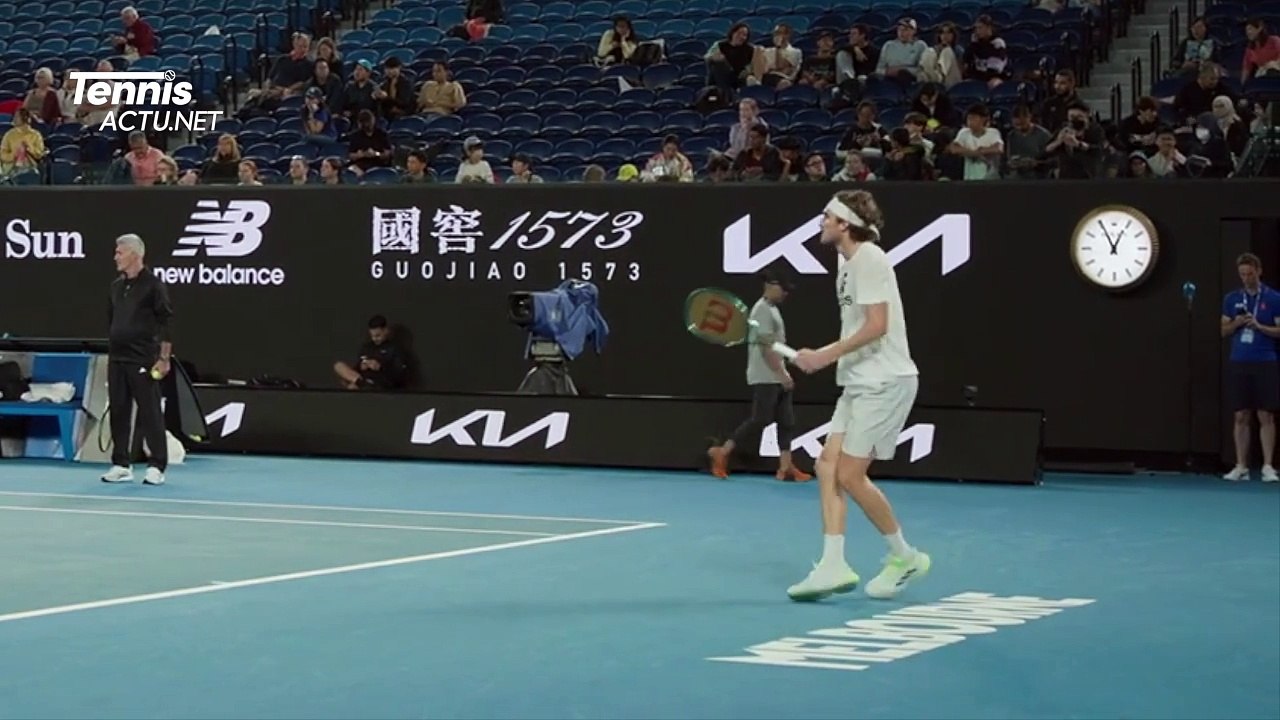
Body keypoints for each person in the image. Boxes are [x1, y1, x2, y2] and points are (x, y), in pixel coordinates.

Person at [787, 190, 931, 602]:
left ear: (845, 224)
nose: (821, 222)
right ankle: (833, 565)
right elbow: (857, 327)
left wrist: (825, 356)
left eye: (827, 216)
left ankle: (905, 557)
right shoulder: (846, 263)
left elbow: (878, 325)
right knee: (826, 466)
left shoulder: (870, 258)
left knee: (849, 474)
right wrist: (819, 357)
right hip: (859, 381)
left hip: (885, 381)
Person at [706, 271, 812, 482]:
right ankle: (722, 452)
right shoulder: (762, 310)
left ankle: (785, 466)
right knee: (760, 418)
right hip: (766, 374)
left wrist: (794, 358)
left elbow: (774, 344)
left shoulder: (771, 309)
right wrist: (782, 374)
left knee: (786, 421)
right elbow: (766, 349)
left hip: (776, 372)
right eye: (783, 289)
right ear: (771, 286)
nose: (785, 294)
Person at [101, 234, 174, 486]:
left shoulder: (154, 286)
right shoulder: (115, 288)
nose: (115, 257)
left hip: (143, 358)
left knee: (150, 411)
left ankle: (157, 466)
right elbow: (112, 321)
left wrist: (163, 358)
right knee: (119, 411)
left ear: (135, 254)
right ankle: (121, 464)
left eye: (120, 252)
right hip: (117, 358)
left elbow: (165, 323)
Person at [1221, 253, 1280, 482]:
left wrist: (1259, 326)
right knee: (1240, 415)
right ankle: (1241, 466)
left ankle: (1267, 466)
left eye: (1250, 273)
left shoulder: (1274, 298)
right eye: (1242, 274)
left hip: (1265, 361)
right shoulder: (1232, 298)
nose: (1246, 278)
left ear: (1259, 271)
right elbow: (1223, 330)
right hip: (1239, 361)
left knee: (1265, 414)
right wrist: (1238, 323)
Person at [333, 315, 408, 390]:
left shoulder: (394, 348)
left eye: (378, 335)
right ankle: (364, 384)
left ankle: (367, 385)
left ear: (386, 331)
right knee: (339, 366)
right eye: (372, 336)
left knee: (353, 387)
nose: (374, 339)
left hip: (381, 382)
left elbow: (399, 373)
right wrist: (361, 366)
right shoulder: (367, 347)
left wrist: (379, 367)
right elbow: (357, 368)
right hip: (362, 379)